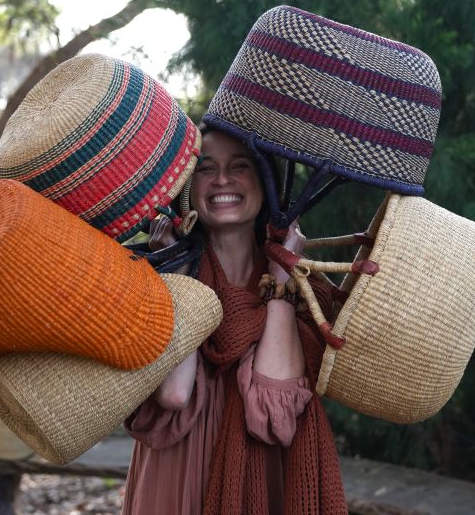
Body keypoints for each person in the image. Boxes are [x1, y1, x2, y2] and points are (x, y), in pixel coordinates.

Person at [122, 128, 347, 515]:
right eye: (206, 169)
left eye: (239, 166)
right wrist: (181, 268)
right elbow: (175, 394)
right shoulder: (158, 279)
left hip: (263, 479)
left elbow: (273, 408)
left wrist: (280, 275)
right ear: (188, 190)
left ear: (265, 184)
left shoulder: (304, 289)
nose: (222, 179)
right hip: (176, 473)